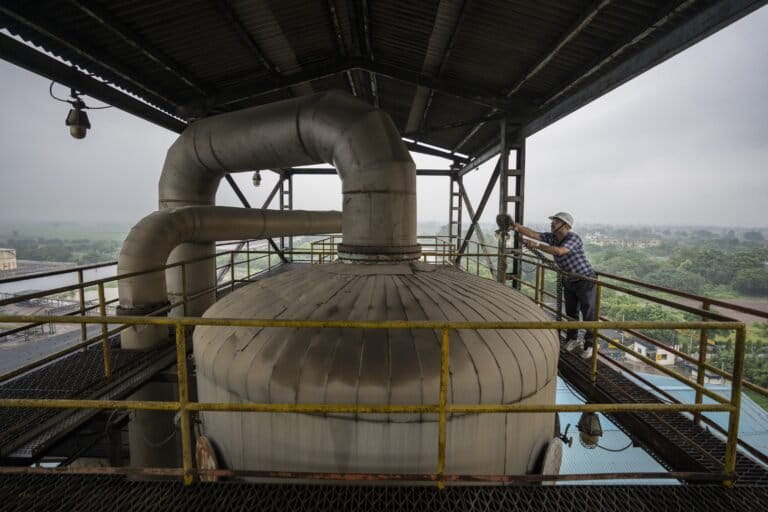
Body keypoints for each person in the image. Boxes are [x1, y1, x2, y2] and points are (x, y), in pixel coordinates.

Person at [511, 212, 597, 359]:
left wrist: (537, 245)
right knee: (571, 312)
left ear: (566, 226)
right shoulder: (552, 237)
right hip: (569, 279)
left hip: (585, 279)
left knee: (588, 313)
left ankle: (590, 345)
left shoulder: (573, 238)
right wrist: (515, 226)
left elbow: (559, 251)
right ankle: (572, 338)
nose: (552, 224)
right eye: (553, 221)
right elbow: (534, 234)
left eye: (556, 222)